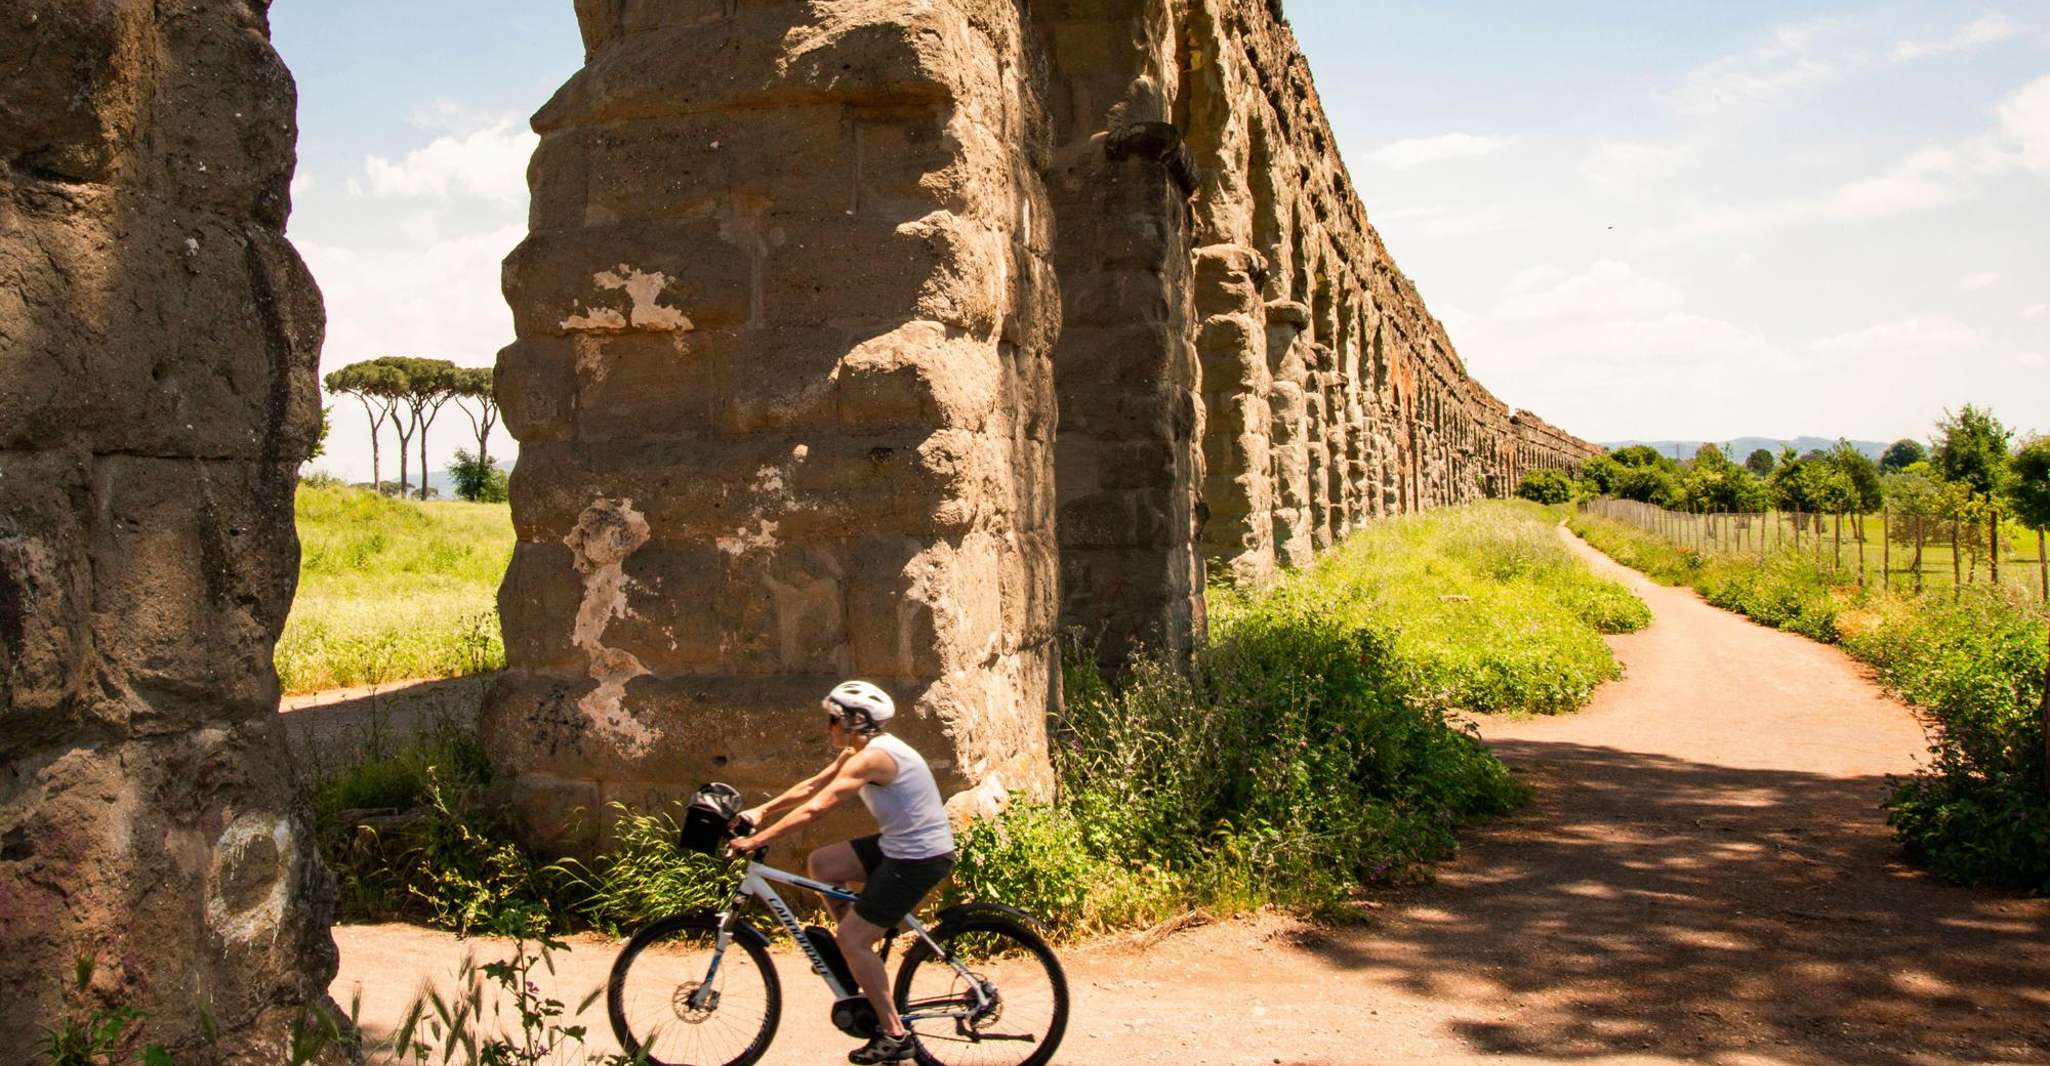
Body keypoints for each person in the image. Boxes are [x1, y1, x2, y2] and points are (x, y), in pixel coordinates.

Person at [730, 680, 957, 1065]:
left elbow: (818, 807)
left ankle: (894, 1035)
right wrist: (761, 811)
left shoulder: (872, 759)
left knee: (852, 940)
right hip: (898, 846)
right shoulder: (859, 750)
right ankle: (859, 954)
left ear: (854, 722)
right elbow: (812, 786)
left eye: (833, 720)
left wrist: (757, 841)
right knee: (823, 864)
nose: (828, 727)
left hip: (918, 857)